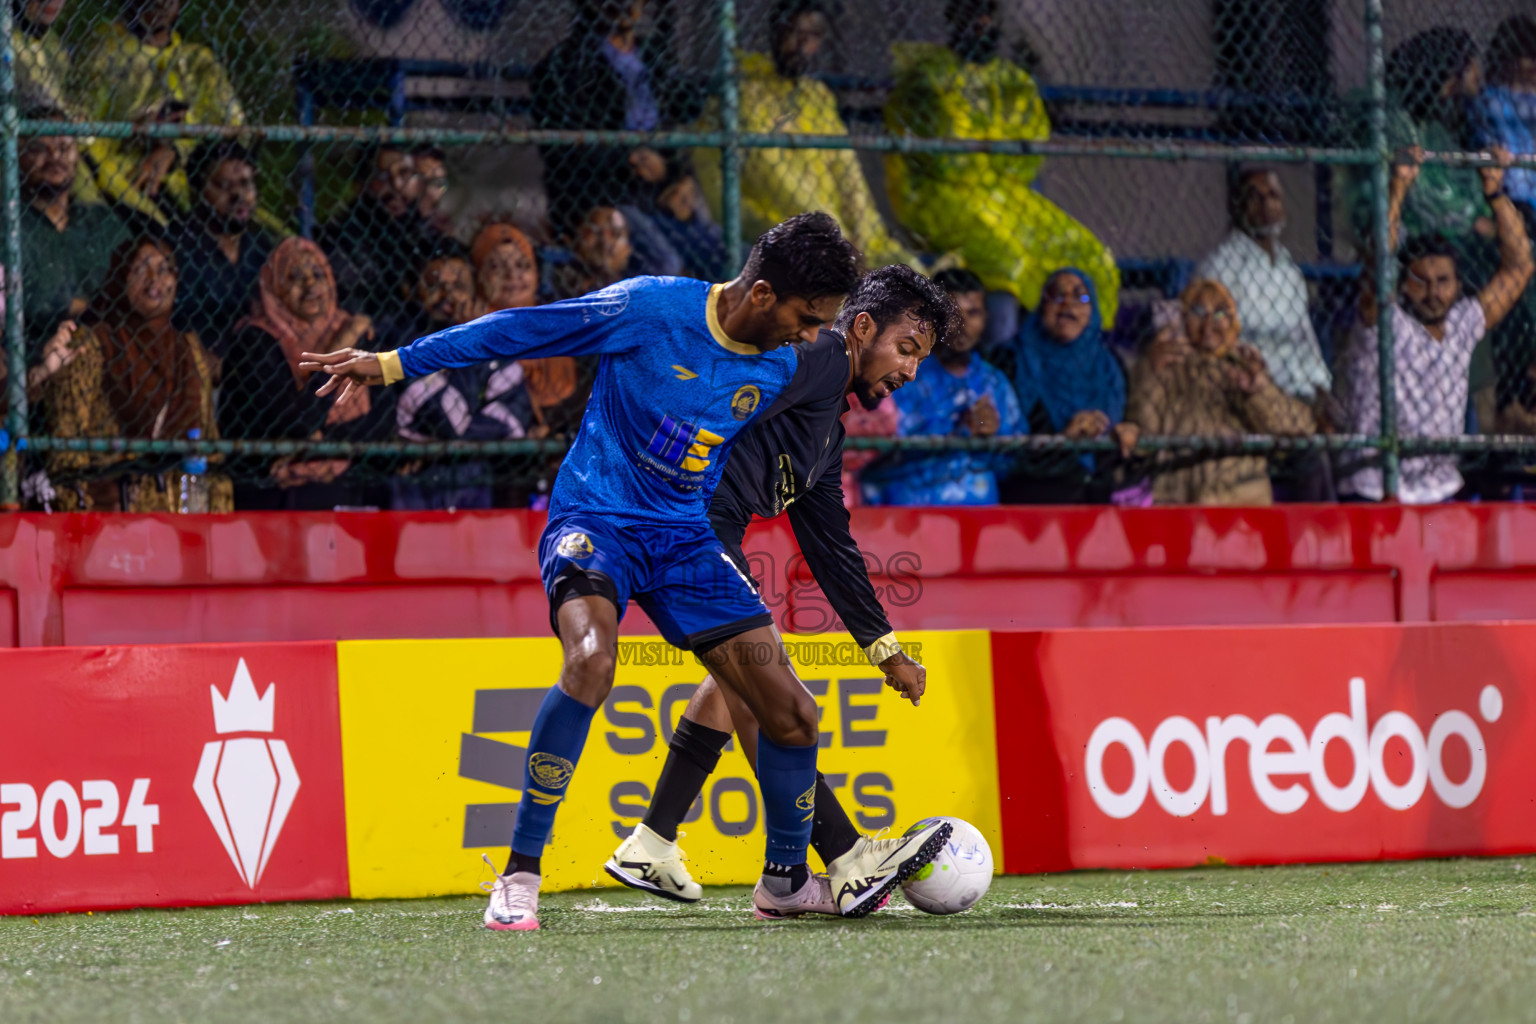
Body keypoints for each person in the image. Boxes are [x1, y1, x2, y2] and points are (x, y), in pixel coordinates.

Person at [302, 213, 947, 931]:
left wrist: (880, 643)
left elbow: (829, 484)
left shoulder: (799, 360)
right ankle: (519, 874)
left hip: (686, 545)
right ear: (763, 295)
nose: (811, 336)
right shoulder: (650, 309)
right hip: (596, 522)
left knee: (794, 712)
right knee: (592, 661)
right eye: (806, 318)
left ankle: (785, 882)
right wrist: (394, 364)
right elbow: (517, 328)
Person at [603, 265, 958, 916]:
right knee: (771, 691)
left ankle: (655, 843)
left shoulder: (827, 434)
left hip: (697, 531)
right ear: (861, 328)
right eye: (906, 349)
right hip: (684, 527)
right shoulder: (810, 359)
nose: (910, 371)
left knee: (739, 683)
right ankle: (841, 856)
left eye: (921, 360)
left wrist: (887, 652)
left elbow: (831, 549)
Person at [883, 0, 1120, 324]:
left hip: (1004, 195)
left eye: (988, 15)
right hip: (937, 197)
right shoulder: (927, 79)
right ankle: (1003, 352)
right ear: (954, 19)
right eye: (972, 16)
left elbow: (1027, 157)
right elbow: (945, 163)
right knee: (1006, 258)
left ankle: (1085, 348)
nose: (982, 24)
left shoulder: (1013, 80)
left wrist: (986, 157)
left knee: (1087, 252)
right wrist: (991, 155)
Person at [1336, 150, 1533, 503]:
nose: (1432, 292)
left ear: (1458, 285)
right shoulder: (1382, 321)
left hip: (1441, 488)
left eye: (1443, 281)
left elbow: (1519, 267)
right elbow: (1377, 262)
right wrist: (1398, 188)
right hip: (1377, 489)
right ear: (1402, 284)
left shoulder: (1462, 323)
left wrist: (1496, 194)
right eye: (1420, 280)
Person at [695, 0, 921, 271]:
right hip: (786, 237)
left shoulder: (817, 97)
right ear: (775, 32)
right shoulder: (743, 88)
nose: (802, 46)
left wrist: (862, 235)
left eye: (812, 36)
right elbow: (718, 187)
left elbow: (848, 175)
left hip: (839, 234)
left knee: (915, 274)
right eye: (794, 33)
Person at [46, 235, 229, 512]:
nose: (155, 278)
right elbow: (67, 453)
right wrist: (81, 519)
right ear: (121, 277)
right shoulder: (89, 345)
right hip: (112, 520)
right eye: (142, 268)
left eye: (166, 268)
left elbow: (208, 444)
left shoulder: (187, 350)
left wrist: (215, 523)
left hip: (182, 516)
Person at [218, 238, 386, 508]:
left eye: (317, 274)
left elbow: (383, 420)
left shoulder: (356, 330)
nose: (310, 285)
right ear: (275, 288)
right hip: (270, 489)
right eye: (295, 277)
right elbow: (298, 423)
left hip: (345, 482)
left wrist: (325, 442)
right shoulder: (255, 341)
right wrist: (339, 347)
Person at [1128, 279, 1315, 506]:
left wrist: (1259, 392)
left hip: (1241, 506)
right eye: (1198, 311)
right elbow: (1143, 435)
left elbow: (1296, 429)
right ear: (1182, 318)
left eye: (1220, 313)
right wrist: (1152, 372)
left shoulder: (1245, 365)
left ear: (1233, 321)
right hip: (1179, 505)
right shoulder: (1163, 366)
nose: (1209, 323)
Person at [531, 0, 690, 261]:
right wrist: (628, 158)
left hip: (654, 192)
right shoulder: (566, 65)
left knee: (732, 255)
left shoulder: (652, 54)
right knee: (667, 263)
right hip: (602, 195)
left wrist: (678, 174)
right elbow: (561, 152)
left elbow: (675, 119)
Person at [70, 0, 246, 229]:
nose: (160, 2)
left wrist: (174, 150)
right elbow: (77, 126)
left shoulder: (197, 62)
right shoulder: (105, 47)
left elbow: (237, 133)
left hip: (186, 189)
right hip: (117, 180)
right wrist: (129, 132)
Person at [862, 269, 1024, 506]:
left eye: (973, 313)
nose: (963, 325)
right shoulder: (900, 375)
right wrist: (958, 434)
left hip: (980, 524)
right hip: (908, 520)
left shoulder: (994, 383)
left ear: (986, 318)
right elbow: (871, 460)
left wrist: (992, 438)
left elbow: (1014, 465)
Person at [393, 240, 531, 510]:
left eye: (459, 286)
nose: (448, 295)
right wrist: (469, 345)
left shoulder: (493, 342)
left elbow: (513, 422)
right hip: (414, 485)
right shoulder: (400, 345)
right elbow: (447, 421)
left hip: (474, 481)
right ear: (412, 290)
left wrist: (473, 341)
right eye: (435, 285)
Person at [998, 267, 1135, 503]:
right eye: (1057, 296)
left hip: (1096, 499)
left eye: (1081, 297)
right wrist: (1064, 439)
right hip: (1034, 499)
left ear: (1093, 311)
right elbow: (1004, 449)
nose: (1068, 305)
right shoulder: (1012, 360)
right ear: (1042, 307)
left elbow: (1120, 448)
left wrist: (1123, 436)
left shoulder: (1110, 366)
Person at [1197, 169, 1331, 404]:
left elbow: (1306, 339)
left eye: (1273, 195)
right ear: (1237, 207)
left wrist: (1322, 389)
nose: (1266, 204)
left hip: (1299, 393)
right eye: (1255, 197)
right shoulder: (1220, 267)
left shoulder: (1289, 270)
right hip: (1250, 390)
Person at [18, 109, 130, 365]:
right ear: (17, 156)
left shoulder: (102, 222)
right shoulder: (9, 226)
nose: (54, 157)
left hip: (112, 356)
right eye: (39, 148)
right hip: (34, 362)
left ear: (77, 155)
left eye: (64, 147)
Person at [470, 221, 586, 442]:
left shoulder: (557, 326)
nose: (512, 275)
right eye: (496, 266)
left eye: (523, 265)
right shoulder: (467, 326)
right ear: (478, 275)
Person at [170, 140, 274, 356]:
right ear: (197, 192)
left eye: (246, 183)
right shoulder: (177, 246)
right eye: (225, 185)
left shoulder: (261, 246)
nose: (239, 195)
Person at [317, 144, 433, 329]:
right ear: (361, 185)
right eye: (382, 176)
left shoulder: (420, 231)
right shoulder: (341, 239)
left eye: (404, 173)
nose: (396, 186)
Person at [549, 204, 637, 300]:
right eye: (597, 231)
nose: (605, 238)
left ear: (627, 249)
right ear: (582, 231)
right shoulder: (558, 269)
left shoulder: (628, 287)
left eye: (616, 234)